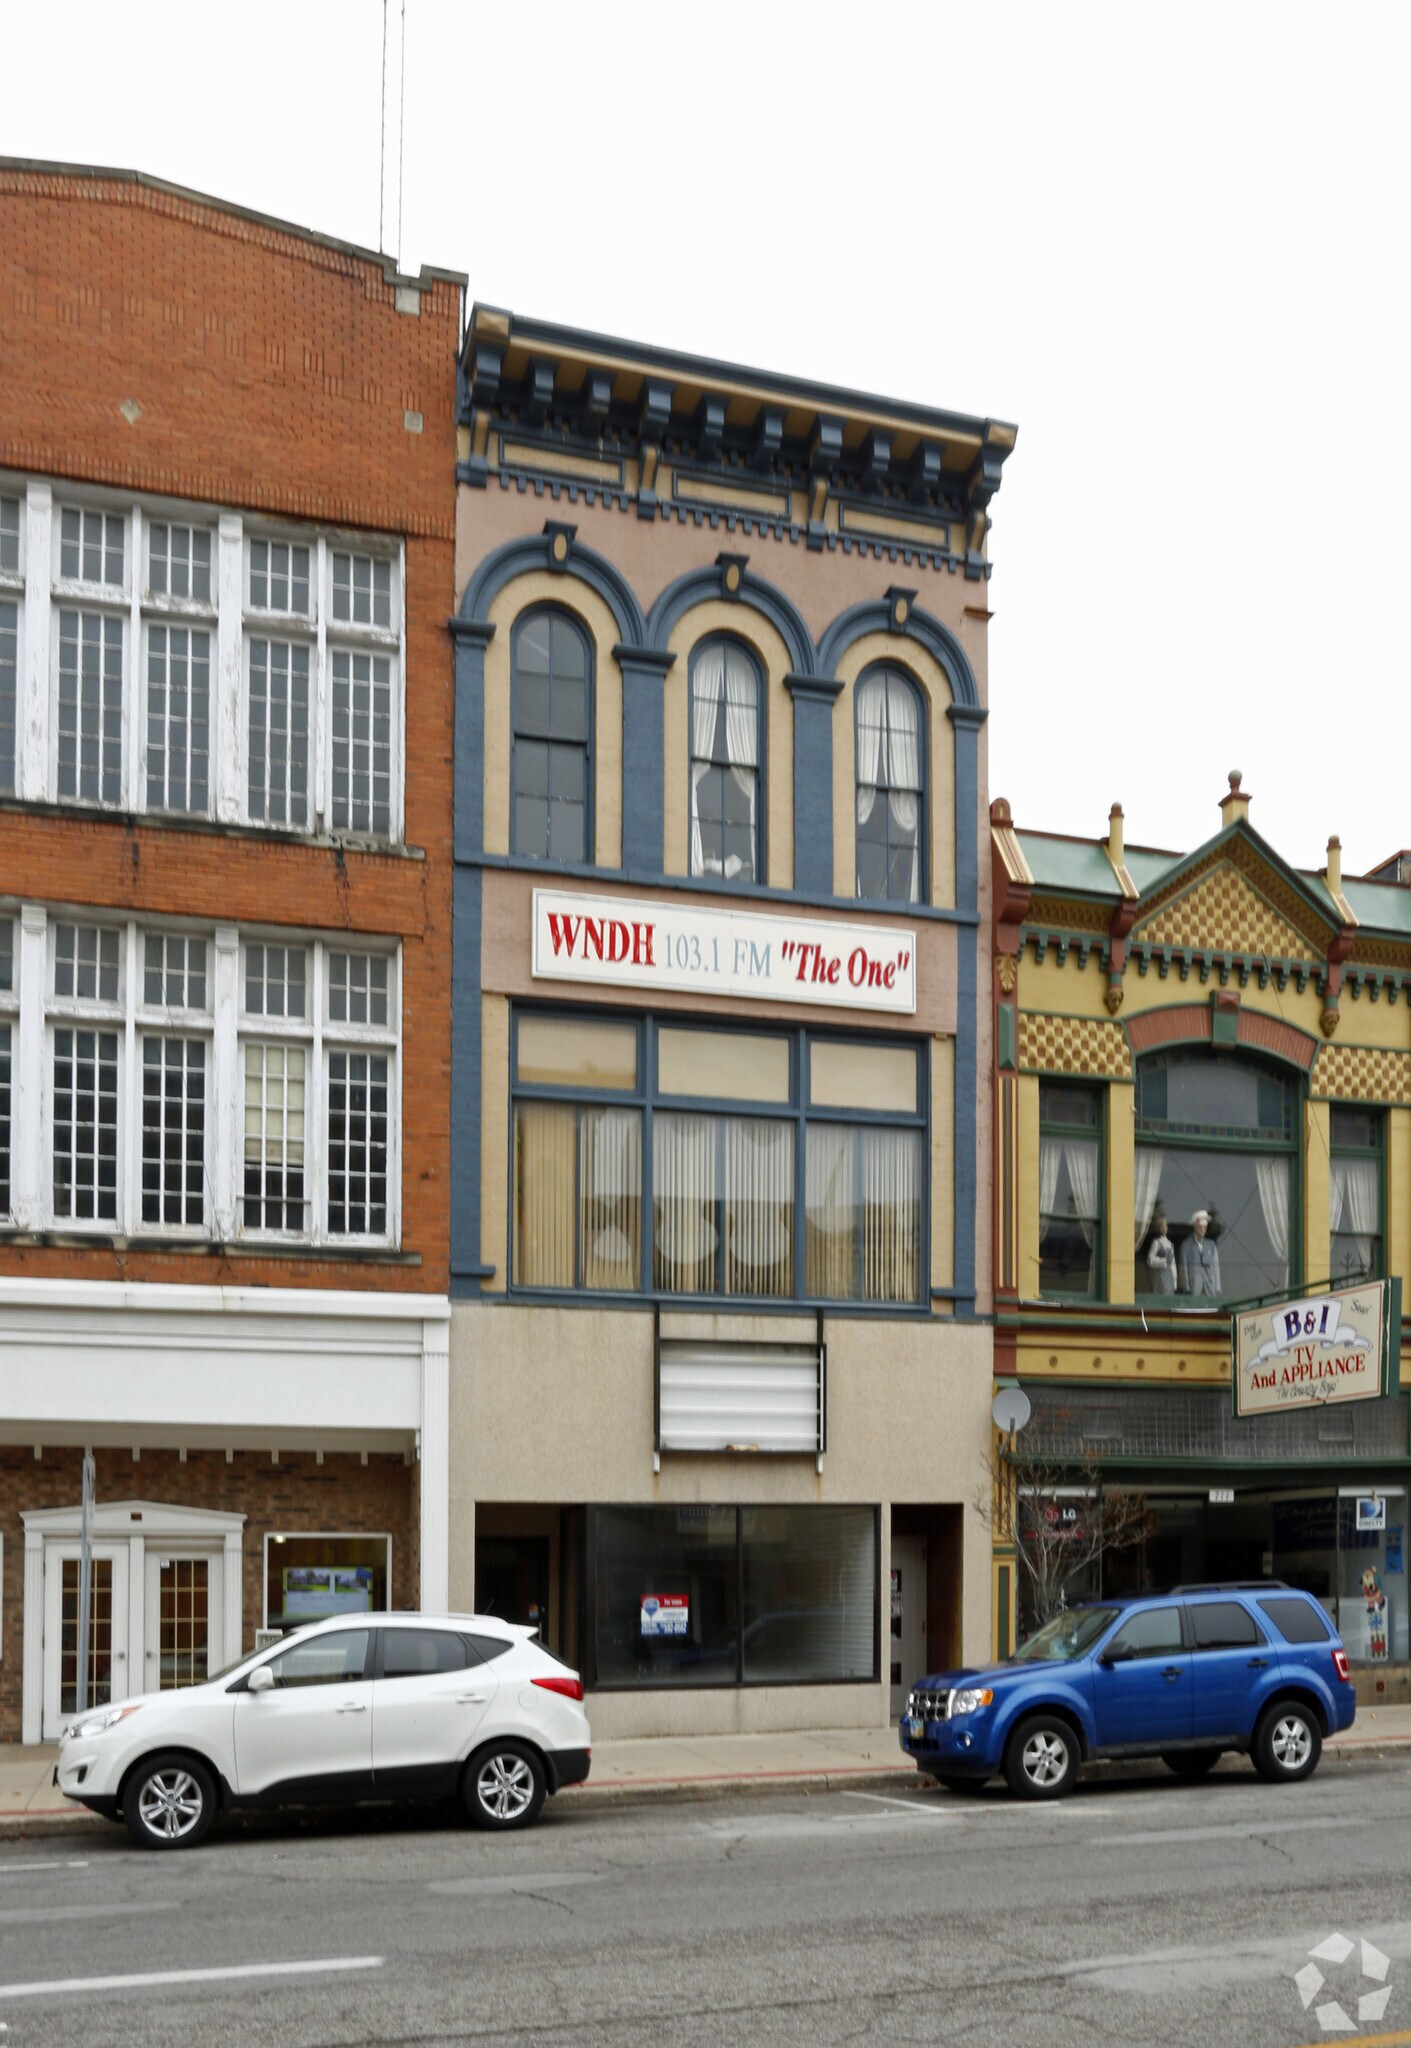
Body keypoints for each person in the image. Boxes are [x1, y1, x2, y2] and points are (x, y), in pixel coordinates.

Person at [1180, 1208, 1221, 1296]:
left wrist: (1217, 1286)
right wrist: (1186, 1286)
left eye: (1205, 1227)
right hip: (1194, 1287)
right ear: (1195, 1226)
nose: (1203, 1230)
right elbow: (1184, 1267)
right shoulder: (1186, 1244)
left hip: (1210, 1287)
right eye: (1200, 1227)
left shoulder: (1211, 1244)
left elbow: (1215, 1266)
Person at [1146, 1210, 1176, 1295]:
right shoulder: (1157, 1242)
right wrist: (1162, 1261)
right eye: (1162, 1226)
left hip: (1169, 1275)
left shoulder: (1170, 1244)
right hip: (1159, 1275)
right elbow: (1150, 1259)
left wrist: (1175, 1280)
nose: (1164, 1228)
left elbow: (1173, 1262)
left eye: (1165, 1226)